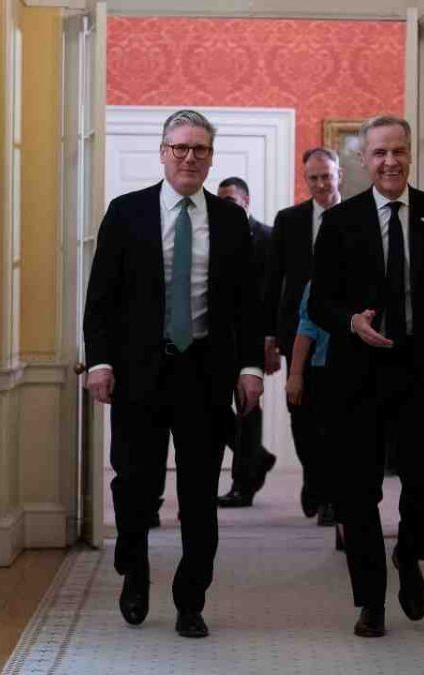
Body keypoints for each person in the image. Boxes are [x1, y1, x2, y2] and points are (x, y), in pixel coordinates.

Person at [83, 109, 264, 639]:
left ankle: (191, 600)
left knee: (200, 494)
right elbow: (101, 298)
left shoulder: (230, 220)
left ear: (211, 157)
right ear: (162, 153)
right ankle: (134, 571)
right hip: (139, 373)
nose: (189, 157)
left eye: (199, 149)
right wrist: (100, 362)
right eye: (180, 148)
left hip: (204, 374)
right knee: (134, 486)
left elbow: (247, 304)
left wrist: (250, 367)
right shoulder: (127, 212)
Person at [308, 115, 424, 638]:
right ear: (364, 159)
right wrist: (350, 322)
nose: (389, 162)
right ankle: (371, 602)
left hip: (421, 370)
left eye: (398, 151)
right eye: (379, 153)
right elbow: (318, 303)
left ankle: (408, 551)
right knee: (358, 493)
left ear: (410, 154)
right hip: (357, 376)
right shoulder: (341, 221)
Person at [262, 147, 344, 524]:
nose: (321, 184)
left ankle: (330, 496)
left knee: (336, 416)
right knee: (302, 415)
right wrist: (269, 337)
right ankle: (314, 477)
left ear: (339, 175)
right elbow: (273, 280)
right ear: (305, 179)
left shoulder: (357, 216)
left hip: (344, 333)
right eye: (314, 178)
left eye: (327, 176)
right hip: (297, 333)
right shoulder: (290, 220)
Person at [214, 177, 278, 507]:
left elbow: (274, 293)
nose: (224, 206)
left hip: (252, 339)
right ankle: (257, 457)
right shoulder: (212, 234)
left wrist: (270, 339)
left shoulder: (267, 237)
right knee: (213, 407)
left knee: (247, 408)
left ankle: (243, 485)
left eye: (230, 200)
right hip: (217, 338)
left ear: (246, 201)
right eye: (220, 201)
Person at [285, 281, 344, 550]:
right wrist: (295, 374)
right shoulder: (318, 281)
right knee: (322, 442)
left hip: (367, 372)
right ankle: (324, 493)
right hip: (325, 368)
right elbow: (306, 326)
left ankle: (340, 509)